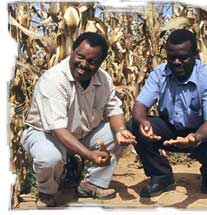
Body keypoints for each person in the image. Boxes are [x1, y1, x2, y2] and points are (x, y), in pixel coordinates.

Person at [21, 32, 136, 207]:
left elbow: (114, 109)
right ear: (72, 51)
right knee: (49, 158)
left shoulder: (103, 79)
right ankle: (46, 192)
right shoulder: (54, 80)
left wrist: (121, 131)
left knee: (117, 132)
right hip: (46, 134)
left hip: (81, 132)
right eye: (80, 57)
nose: (83, 64)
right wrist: (90, 155)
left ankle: (92, 184)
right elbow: (58, 130)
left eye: (92, 62)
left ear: (100, 62)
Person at [128, 29, 207, 198]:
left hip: (200, 132)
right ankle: (161, 176)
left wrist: (194, 138)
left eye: (183, 57)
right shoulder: (160, 73)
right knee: (133, 125)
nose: (176, 62)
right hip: (170, 129)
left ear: (195, 54)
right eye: (171, 57)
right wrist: (143, 123)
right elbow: (140, 104)